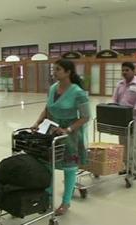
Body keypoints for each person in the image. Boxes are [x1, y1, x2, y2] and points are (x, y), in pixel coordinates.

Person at [31, 59, 90, 216]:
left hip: (70, 135)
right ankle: (48, 197)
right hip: (52, 131)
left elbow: (85, 117)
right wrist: (38, 122)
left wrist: (67, 129)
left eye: (57, 69)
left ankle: (66, 202)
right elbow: (47, 108)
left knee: (69, 169)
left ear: (68, 72)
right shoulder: (52, 88)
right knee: (48, 165)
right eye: (53, 69)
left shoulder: (77, 92)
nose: (54, 72)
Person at [113, 62, 136, 179]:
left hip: (134, 120)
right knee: (123, 145)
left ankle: (135, 170)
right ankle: (125, 167)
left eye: (127, 70)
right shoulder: (120, 84)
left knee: (133, 145)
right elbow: (114, 101)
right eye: (123, 70)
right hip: (121, 121)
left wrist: (129, 115)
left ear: (133, 71)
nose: (124, 72)